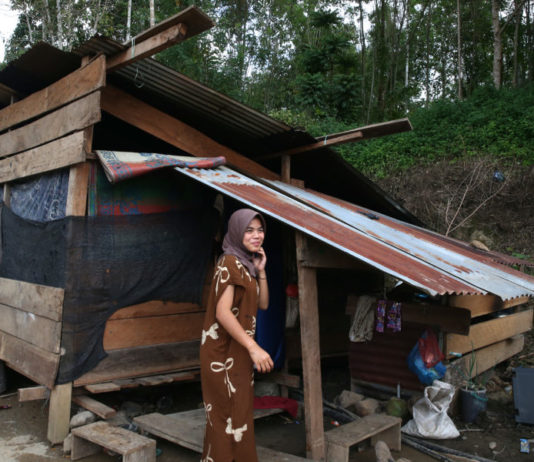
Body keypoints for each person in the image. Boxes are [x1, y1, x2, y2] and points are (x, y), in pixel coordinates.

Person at [200, 208, 274, 462]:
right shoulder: (229, 263)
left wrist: (261, 271)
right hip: (221, 355)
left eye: (260, 230)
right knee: (225, 418)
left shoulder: (247, 265)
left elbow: (263, 304)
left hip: (238, 353)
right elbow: (222, 313)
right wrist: (254, 347)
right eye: (249, 230)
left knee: (239, 415)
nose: (257, 235)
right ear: (236, 232)